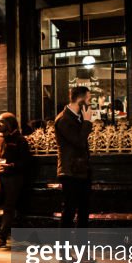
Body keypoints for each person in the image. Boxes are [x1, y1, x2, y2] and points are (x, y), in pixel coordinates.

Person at [0, 112, 31, 248]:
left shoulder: (19, 140)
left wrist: (12, 166)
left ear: (9, 124)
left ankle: (1, 237)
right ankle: (7, 205)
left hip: (13, 176)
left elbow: (26, 161)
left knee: (9, 207)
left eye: (2, 122)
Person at [55, 86, 94, 229]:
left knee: (84, 210)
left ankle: (81, 248)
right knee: (69, 211)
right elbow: (78, 141)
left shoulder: (77, 118)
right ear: (80, 100)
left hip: (81, 170)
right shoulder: (64, 119)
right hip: (70, 172)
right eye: (88, 99)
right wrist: (88, 122)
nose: (90, 103)